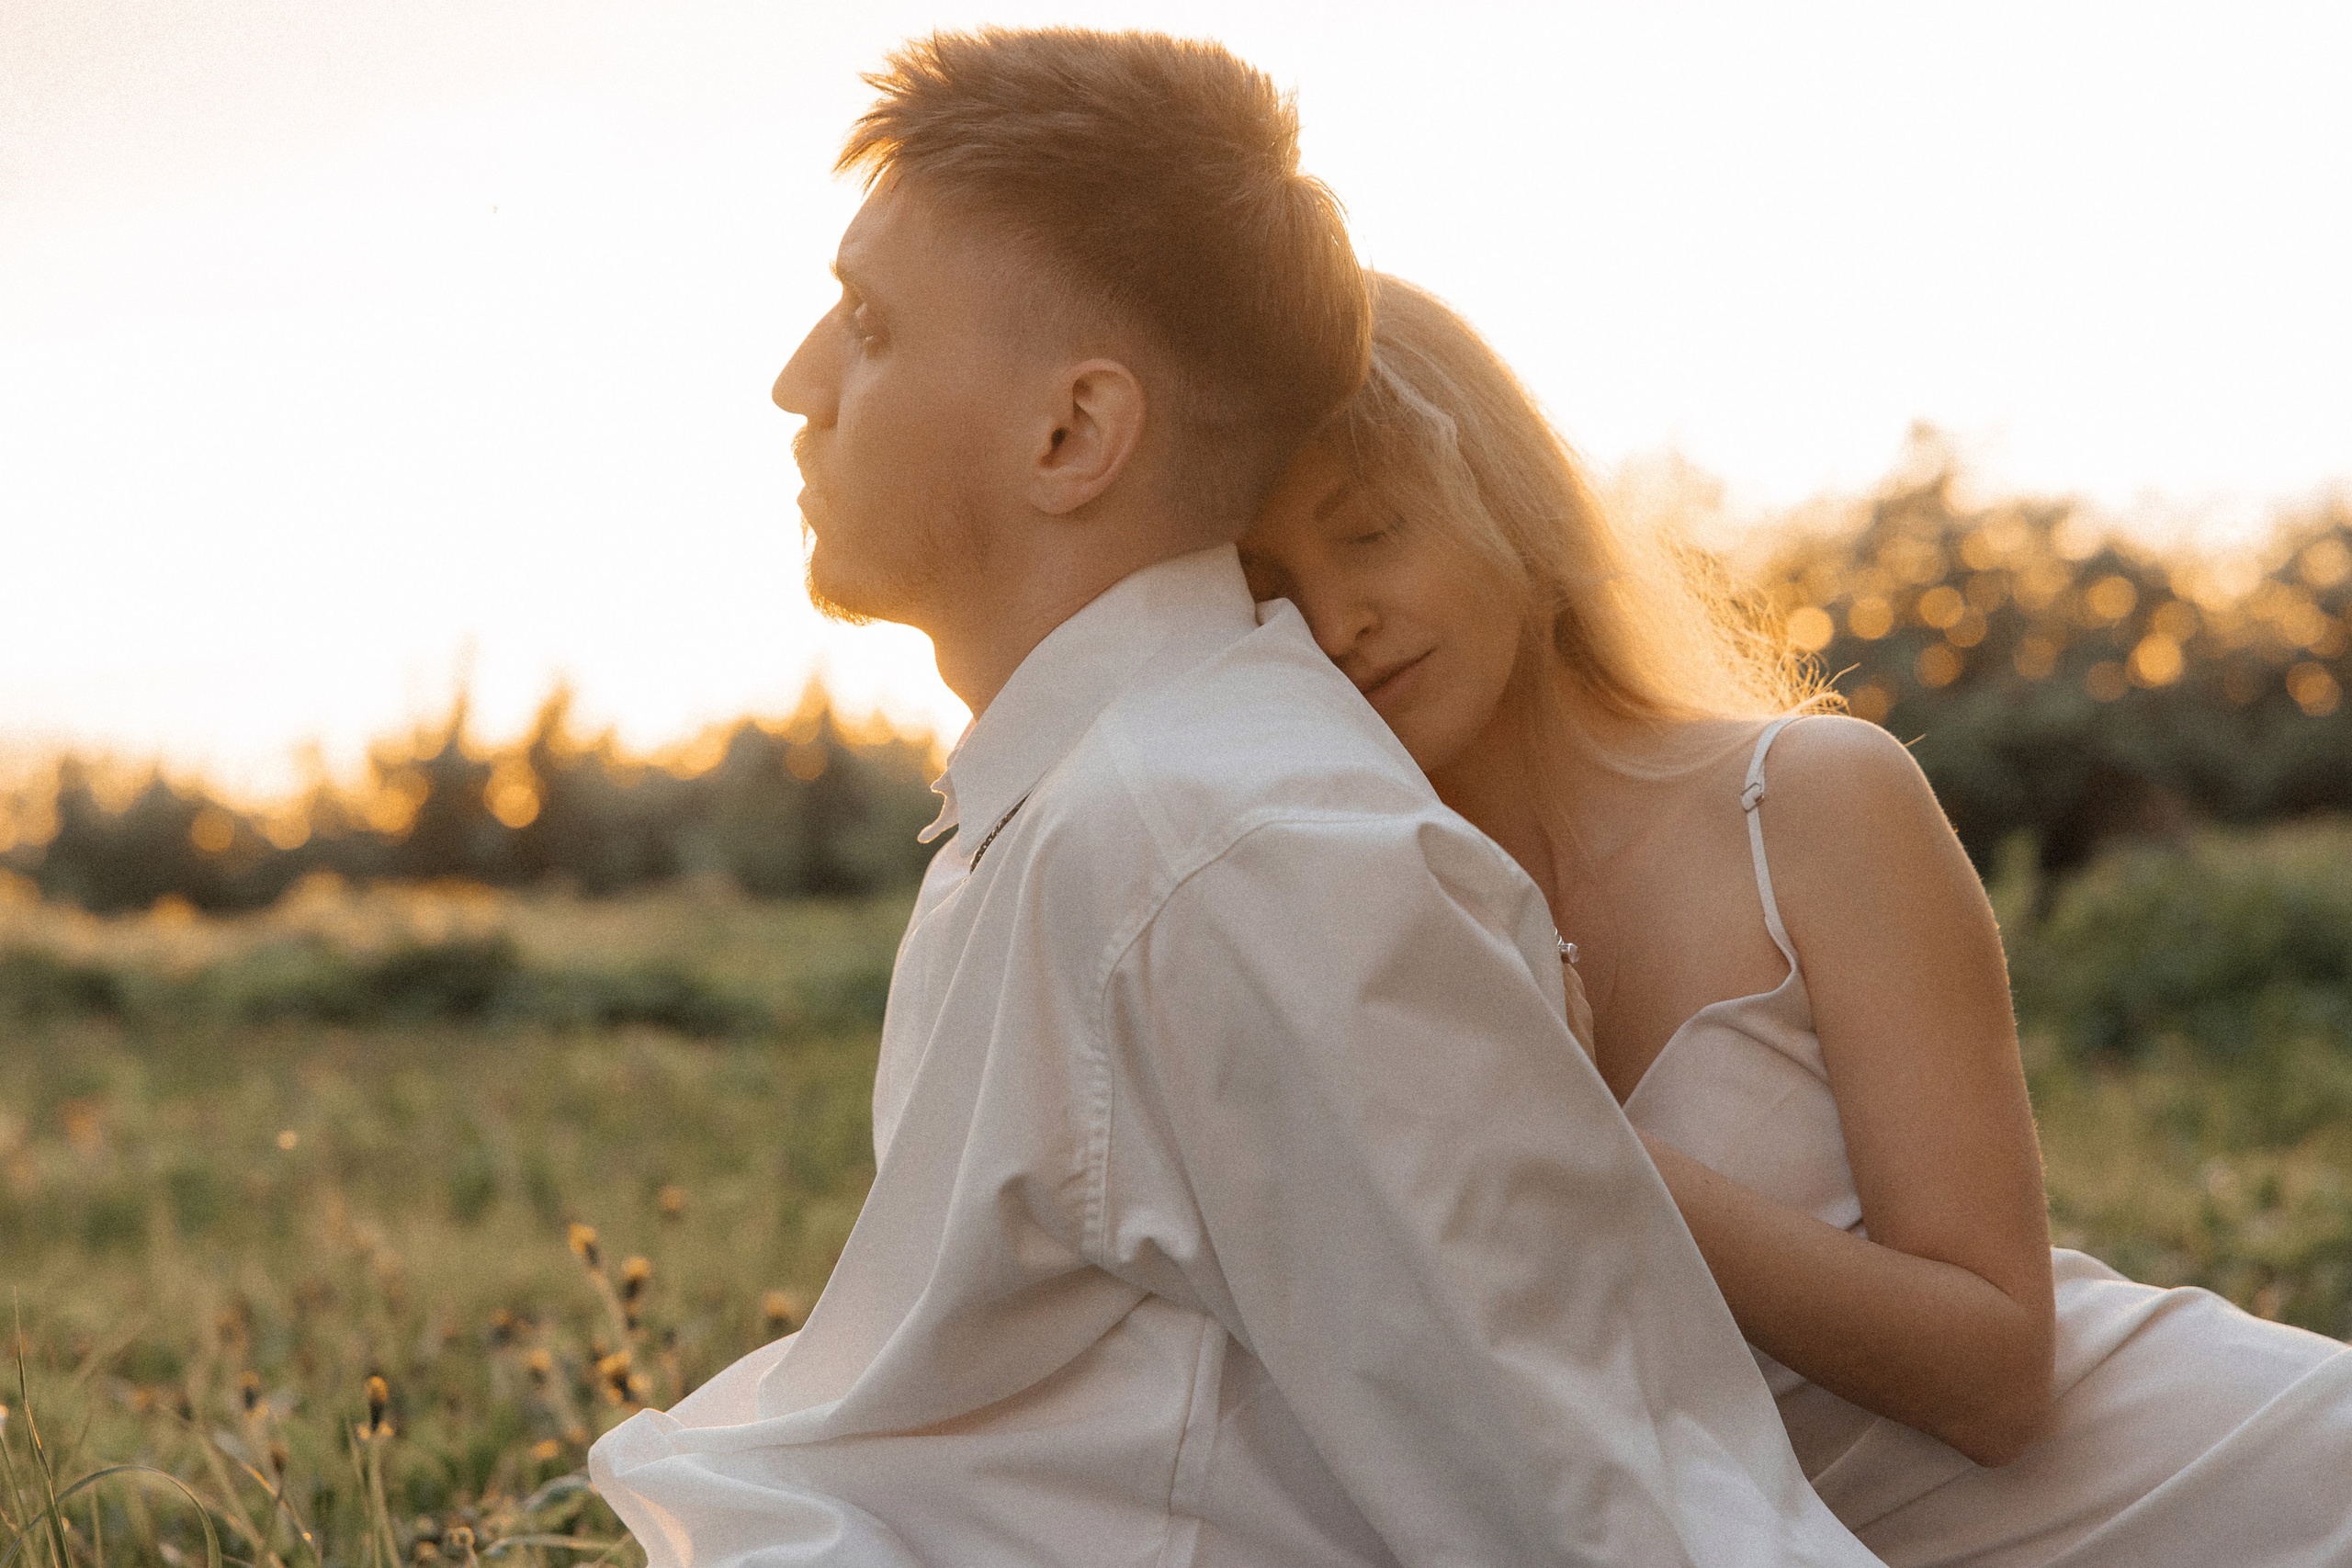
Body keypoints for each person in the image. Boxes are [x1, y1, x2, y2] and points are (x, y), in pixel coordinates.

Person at [589, 28, 1881, 1568]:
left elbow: (1591, 1498)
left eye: (867, 325)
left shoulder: (1244, 855)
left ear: (1074, 433)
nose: (796, 381)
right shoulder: (1085, 813)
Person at [1238, 270, 2352, 1567]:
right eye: (1270, 585)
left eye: (1370, 531)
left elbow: (1998, 1377)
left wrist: (1575, 1138)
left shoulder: (1810, 800)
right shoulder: (1357, 933)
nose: (1335, 618)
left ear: (1512, 502)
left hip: (2263, 1493)